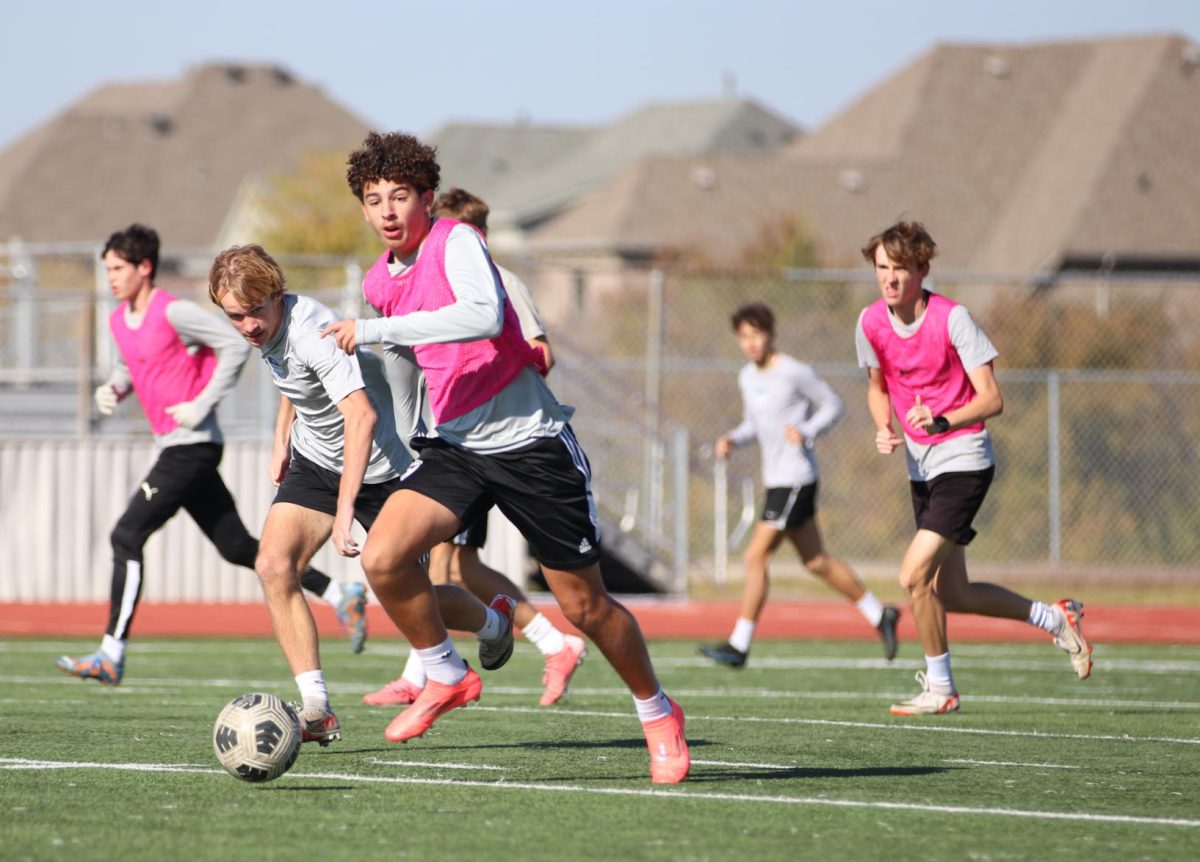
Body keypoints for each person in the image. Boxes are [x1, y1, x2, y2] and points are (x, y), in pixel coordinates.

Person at [323, 131, 688, 783]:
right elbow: (407, 366)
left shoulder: (457, 242)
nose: (386, 211)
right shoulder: (381, 281)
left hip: (531, 444)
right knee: (382, 556)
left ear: (426, 199)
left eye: (399, 196)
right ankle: (445, 674)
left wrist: (375, 330)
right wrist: (411, 444)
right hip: (456, 448)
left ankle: (658, 711)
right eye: (373, 199)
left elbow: (484, 315)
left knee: (586, 608)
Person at [207, 243, 515, 744]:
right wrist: (281, 437)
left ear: (278, 295)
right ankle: (317, 708)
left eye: (254, 313)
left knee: (409, 599)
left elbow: (362, 416)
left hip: (384, 468)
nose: (247, 327)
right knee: (273, 565)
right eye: (235, 316)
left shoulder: (314, 335)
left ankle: (491, 622)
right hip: (316, 462)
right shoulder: (269, 325)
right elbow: (293, 379)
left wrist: (345, 508)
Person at [55, 224, 367, 687]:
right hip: (172, 444)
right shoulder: (119, 320)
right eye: (107, 270)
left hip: (193, 446)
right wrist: (115, 388)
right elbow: (130, 363)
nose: (112, 279)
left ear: (145, 267)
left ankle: (110, 651)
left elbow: (229, 347)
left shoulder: (175, 311)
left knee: (126, 535)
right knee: (238, 546)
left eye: (118, 268)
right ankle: (341, 591)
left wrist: (202, 404)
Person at [855, 220, 1092, 716]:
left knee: (913, 577)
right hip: (922, 468)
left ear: (922, 268)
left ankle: (941, 688)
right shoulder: (871, 322)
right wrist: (884, 426)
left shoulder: (952, 318)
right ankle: (1055, 618)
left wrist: (941, 419)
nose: (889, 278)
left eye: (899, 268)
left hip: (964, 458)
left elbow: (992, 398)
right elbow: (878, 387)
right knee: (953, 592)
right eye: (881, 267)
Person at [362, 187, 586, 709]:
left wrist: (491, 363)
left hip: (507, 437)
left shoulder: (500, 280)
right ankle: (540, 646)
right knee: (448, 565)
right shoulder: (417, 273)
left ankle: (438, 673)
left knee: (446, 567)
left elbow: (540, 353)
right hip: (455, 442)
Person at [700, 302, 900, 669]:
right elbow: (753, 425)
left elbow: (833, 405)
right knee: (816, 561)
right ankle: (879, 614)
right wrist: (732, 438)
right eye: (743, 337)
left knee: (755, 556)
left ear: (770, 334)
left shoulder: (793, 372)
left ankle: (739, 644)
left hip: (795, 478)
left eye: (755, 335)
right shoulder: (747, 377)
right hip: (776, 481)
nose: (750, 343)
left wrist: (806, 431)